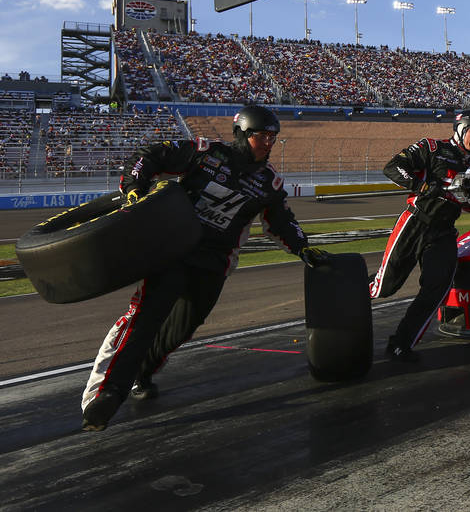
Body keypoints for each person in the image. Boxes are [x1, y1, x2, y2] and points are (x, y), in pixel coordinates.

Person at [81, 105, 327, 431]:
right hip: (173, 250)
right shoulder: (205, 153)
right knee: (145, 316)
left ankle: (144, 373)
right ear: (242, 133)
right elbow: (149, 155)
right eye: (263, 136)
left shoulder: (270, 183)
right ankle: (104, 394)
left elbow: (282, 221)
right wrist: (134, 190)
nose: (269, 142)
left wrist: (302, 246)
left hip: (214, 265)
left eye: (273, 137)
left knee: (179, 330)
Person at [370, 110, 470, 361]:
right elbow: (392, 167)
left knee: (436, 289)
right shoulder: (431, 147)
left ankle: (402, 343)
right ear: (460, 129)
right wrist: (423, 186)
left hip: (445, 231)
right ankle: (344, 309)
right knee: (385, 287)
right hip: (415, 222)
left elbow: (467, 204)